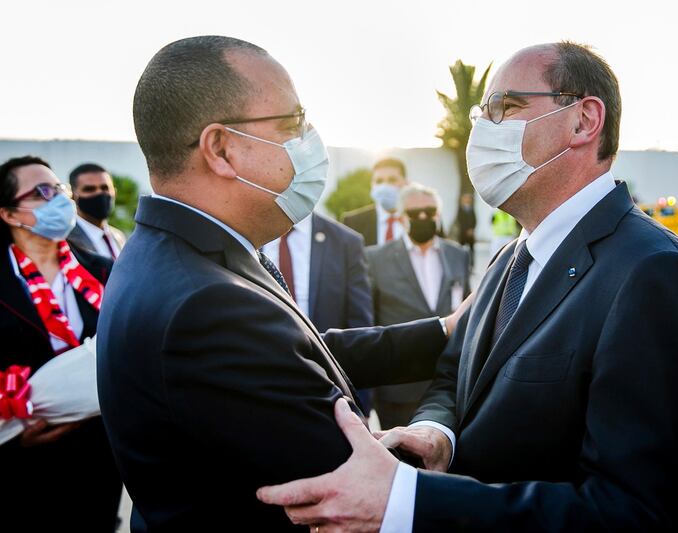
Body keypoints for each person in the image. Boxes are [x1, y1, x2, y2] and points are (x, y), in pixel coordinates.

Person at [257, 42, 678, 532]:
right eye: (483, 112)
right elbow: (455, 372)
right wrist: (437, 433)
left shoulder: (652, 275)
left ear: (584, 121)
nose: (482, 128)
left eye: (506, 107)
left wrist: (411, 501)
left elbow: (635, 515)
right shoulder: (512, 258)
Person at [96, 36, 462, 532]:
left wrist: (445, 332)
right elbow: (351, 493)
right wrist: (439, 436)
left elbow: (296, 354)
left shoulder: (183, 251)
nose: (309, 139)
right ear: (221, 149)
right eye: (293, 123)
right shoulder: (208, 304)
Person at [0, 155, 122, 532]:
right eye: (42, 192)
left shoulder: (105, 270)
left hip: (99, 453)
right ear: (9, 214)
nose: (59, 199)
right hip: (22, 459)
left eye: (60, 189)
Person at [368, 183, 470, 428]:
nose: (423, 217)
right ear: (402, 218)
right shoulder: (375, 258)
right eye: (414, 213)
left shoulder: (458, 254)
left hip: (449, 385)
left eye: (430, 210)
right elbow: (368, 321)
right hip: (398, 388)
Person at [261, 212, 376, 411]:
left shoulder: (345, 242)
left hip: (329, 392)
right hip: (264, 383)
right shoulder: (249, 233)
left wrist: (361, 404)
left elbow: (360, 325)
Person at [341, 158, 408, 246]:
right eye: (379, 181)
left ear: (405, 183)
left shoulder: (417, 219)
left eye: (392, 180)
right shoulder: (352, 223)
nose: (385, 186)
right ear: (372, 184)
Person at [67, 162, 126, 258]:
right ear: (73, 196)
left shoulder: (118, 236)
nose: (99, 193)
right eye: (89, 189)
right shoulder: (66, 240)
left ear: (114, 192)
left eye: (105, 188)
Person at [455, 192, 477, 266]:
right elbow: (459, 221)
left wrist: (471, 229)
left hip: (471, 234)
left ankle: (471, 265)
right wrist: (466, 230)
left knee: (471, 250)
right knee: (461, 249)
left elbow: (474, 220)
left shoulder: (471, 209)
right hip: (462, 233)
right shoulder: (460, 209)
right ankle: (461, 264)